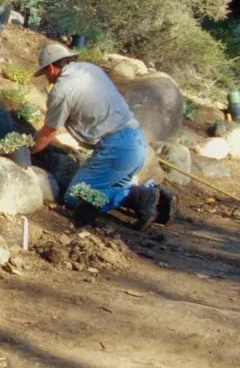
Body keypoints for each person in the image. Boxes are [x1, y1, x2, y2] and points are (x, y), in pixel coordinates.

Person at [30, 43, 176, 230]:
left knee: (75, 197)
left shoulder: (61, 90)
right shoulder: (90, 69)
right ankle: (152, 195)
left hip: (115, 149)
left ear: (51, 67)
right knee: (112, 188)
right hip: (135, 140)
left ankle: (140, 197)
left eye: (45, 73)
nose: (46, 78)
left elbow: (48, 133)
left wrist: (28, 151)